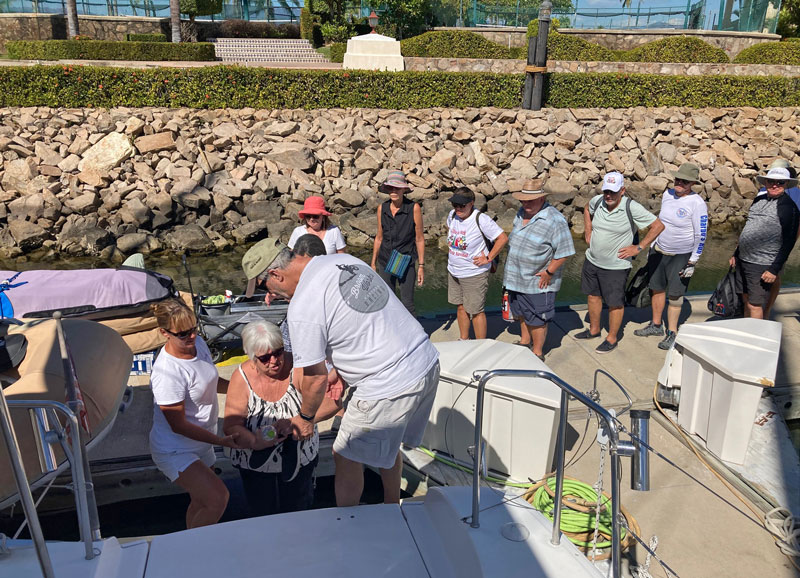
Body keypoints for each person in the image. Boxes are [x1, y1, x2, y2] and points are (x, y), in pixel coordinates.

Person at [242, 240, 440, 507]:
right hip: (425, 360)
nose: (272, 294)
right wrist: (343, 373)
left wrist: (305, 418)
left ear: (276, 274)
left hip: (389, 384)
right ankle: (392, 506)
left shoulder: (302, 306)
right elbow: (366, 323)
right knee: (388, 446)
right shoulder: (344, 261)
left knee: (345, 454)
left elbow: (314, 377)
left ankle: (349, 522)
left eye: (267, 286)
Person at [223, 320, 340, 517]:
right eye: (265, 358)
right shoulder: (240, 377)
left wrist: (302, 421)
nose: (274, 361)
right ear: (252, 358)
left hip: (301, 458)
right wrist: (254, 441)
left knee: (299, 513)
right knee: (261, 515)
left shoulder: (299, 366)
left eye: (278, 352)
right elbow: (231, 425)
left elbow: (334, 402)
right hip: (256, 461)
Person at [148, 298, 240, 529]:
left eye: (193, 329)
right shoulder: (167, 373)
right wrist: (220, 441)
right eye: (182, 334)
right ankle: (194, 550)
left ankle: (192, 541)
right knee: (218, 498)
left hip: (201, 442)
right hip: (175, 449)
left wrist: (242, 388)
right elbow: (177, 425)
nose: (191, 337)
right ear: (164, 332)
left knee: (201, 500)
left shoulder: (197, 343)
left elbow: (210, 380)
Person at [578, 172, 664, 353]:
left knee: (615, 303)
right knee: (593, 296)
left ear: (622, 190)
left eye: (613, 192)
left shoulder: (632, 207)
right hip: (592, 260)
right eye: (606, 191)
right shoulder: (598, 201)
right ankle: (594, 330)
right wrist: (588, 230)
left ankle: (611, 338)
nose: (608, 196)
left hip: (616, 266)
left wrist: (638, 248)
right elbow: (587, 208)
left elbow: (657, 226)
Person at [634, 163, 708, 350]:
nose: (679, 183)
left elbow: (701, 235)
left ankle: (672, 332)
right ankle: (656, 325)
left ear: (692, 184)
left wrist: (693, 261)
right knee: (656, 289)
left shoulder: (697, 203)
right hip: (658, 251)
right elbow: (661, 221)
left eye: (684, 181)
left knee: (675, 296)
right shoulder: (667, 194)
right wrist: (651, 245)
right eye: (677, 179)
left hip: (681, 256)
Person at [502, 179, 575, 361]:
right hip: (516, 279)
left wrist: (549, 272)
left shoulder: (555, 220)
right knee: (521, 313)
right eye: (523, 200)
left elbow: (565, 251)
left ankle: (537, 352)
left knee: (537, 318)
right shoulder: (521, 213)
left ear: (542, 199)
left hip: (537, 281)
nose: (526, 204)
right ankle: (525, 341)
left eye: (530, 201)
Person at [730, 166, 800, 319]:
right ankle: (748, 331)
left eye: (780, 182)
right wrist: (736, 253)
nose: (775, 185)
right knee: (746, 299)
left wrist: (774, 269)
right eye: (771, 181)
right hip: (743, 260)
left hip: (762, 263)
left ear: (786, 184)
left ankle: (756, 341)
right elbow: (749, 226)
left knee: (755, 305)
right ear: (766, 182)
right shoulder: (759, 199)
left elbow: (788, 242)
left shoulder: (789, 207)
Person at [446, 187, 508, 340]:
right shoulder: (452, 215)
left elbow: (502, 238)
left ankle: (480, 345)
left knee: (476, 311)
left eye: (462, 205)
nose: (458, 208)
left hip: (474, 273)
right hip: (454, 271)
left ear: (471, 203)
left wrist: (488, 258)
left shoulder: (481, 219)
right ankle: (464, 339)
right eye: (455, 205)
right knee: (461, 307)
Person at [370, 171, 425, 315]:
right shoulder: (382, 208)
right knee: (388, 301)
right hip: (385, 259)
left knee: (407, 303)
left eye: (397, 188)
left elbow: (419, 238)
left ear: (403, 190)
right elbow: (379, 237)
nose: (393, 191)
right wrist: (373, 262)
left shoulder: (414, 208)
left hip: (406, 261)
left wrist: (421, 266)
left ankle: (412, 335)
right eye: (391, 188)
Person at [762, 159, 800, 317]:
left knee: (775, 275)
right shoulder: (764, 190)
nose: (775, 183)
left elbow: (797, 224)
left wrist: (789, 244)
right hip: (758, 242)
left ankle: (767, 309)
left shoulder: (796, 194)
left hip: (779, 243)